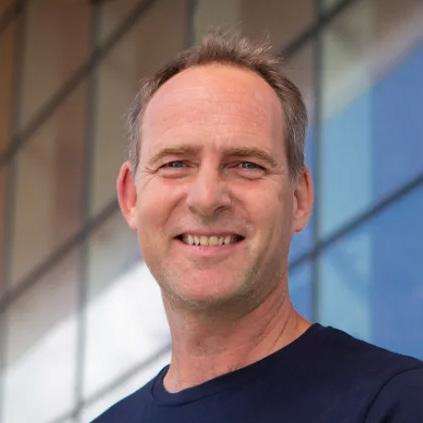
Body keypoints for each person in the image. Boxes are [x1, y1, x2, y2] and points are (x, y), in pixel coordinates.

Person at [92, 31, 423, 422]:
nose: (206, 197)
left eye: (246, 165)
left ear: (298, 198)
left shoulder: (396, 403)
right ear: (131, 196)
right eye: (176, 164)